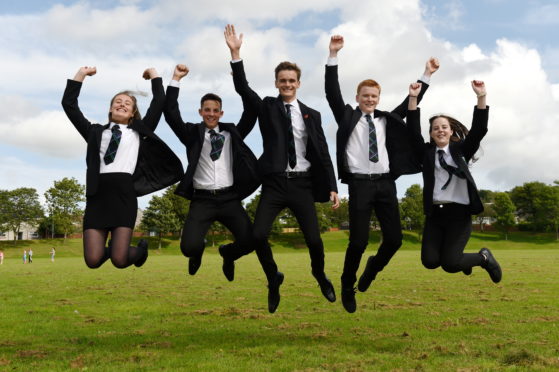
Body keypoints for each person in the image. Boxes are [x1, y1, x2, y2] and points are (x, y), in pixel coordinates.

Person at [225, 24, 340, 313]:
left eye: (291, 80)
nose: (287, 84)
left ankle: (319, 275)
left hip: (303, 184)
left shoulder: (312, 114)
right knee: (258, 235)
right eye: (282, 80)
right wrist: (236, 54)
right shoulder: (267, 107)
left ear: (298, 83)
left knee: (314, 239)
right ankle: (273, 278)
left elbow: (324, 153)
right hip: (275, 183)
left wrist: (333, 186)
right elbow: (242, 88)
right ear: (276, 83)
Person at [324, 35, 439, 313]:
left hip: (386, 185)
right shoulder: (348, 116)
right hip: (361, 186)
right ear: (358, 98)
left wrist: (426, 74)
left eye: (374, 97)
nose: (370, 100)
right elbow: (331, 93)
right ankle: (347, 283)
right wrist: (333, 55)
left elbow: (411, 98)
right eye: (365, 96)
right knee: (359, 241)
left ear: (378, 99)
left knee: (395, 240)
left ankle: (372, 270)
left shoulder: (387, 119)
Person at [62, 66, 183, 269]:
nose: (122, 104)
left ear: (133, 112)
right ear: (110, 108)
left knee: (120, 260)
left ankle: (141, 250)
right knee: (93, 260)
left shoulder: (139, 132)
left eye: (127, 103)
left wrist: (154, 75)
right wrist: (81, 75)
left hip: (124, 196)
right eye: (117, 102)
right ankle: (111, 248)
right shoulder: (94, 132)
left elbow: (159, 102)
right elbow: (69, 105)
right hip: (97, 196)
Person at [163, 61, 260, 281]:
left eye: (216, 110)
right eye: (207, 110)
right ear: (200, 111)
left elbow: (252, 111)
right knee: (189, 247)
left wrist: (239, 80)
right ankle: (198, 250)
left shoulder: (232, 133)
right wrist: (176, 79)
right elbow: (170, 113)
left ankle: (227, 254)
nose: (211, 114)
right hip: (202, 200)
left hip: (229, 198)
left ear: (221, 112)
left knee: (249, 241)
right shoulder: (191, 134)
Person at [406, 80, 502, 283]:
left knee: (450, 264)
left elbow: (479, 129)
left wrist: (481, 96)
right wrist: (413, 98)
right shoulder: (426, 153)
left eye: (444, 127)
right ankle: (462, 262)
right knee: (430, 261)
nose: (440, 130)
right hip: (435, 215)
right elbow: (412, 133)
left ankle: (484, 258)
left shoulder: (461, 151)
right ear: (431, 134)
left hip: (459, 214)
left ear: (451, 132)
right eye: (435, 128)